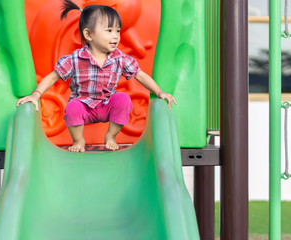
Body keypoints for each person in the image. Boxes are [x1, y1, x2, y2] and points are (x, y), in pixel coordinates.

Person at [16, 0, 177, 152]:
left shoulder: (119, 58)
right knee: (72, 107)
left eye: (118, 31)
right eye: (109, 31)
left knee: (123, 99)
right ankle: (78, 140)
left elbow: (140, 75)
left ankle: (111, 136)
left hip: (107, 104)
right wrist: (36, 95)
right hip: (83, 105)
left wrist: (159, 92)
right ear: (89, 35)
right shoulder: (75, 58)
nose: (116, 36)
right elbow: (53, 77)